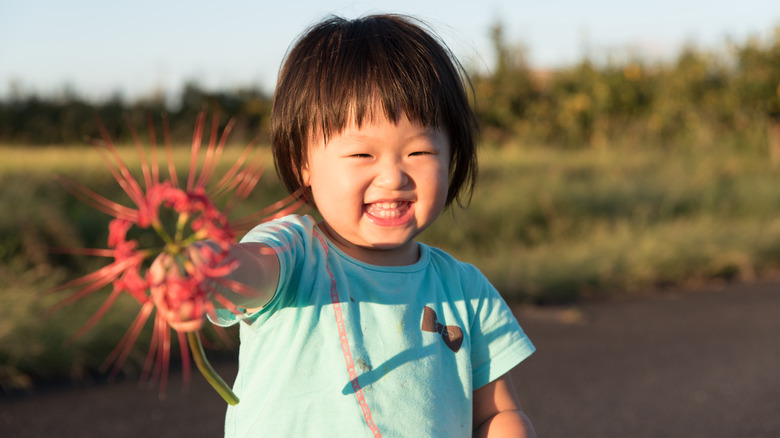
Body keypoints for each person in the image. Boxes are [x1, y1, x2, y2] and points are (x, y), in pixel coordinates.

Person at [208, 14, 536, 437]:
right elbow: (248, 271)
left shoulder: (465, 291)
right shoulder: (294, 252)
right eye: (362, 155)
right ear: (301, 163)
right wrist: (203, 268)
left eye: (419, 152)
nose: (393, 176)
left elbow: (496, 413)